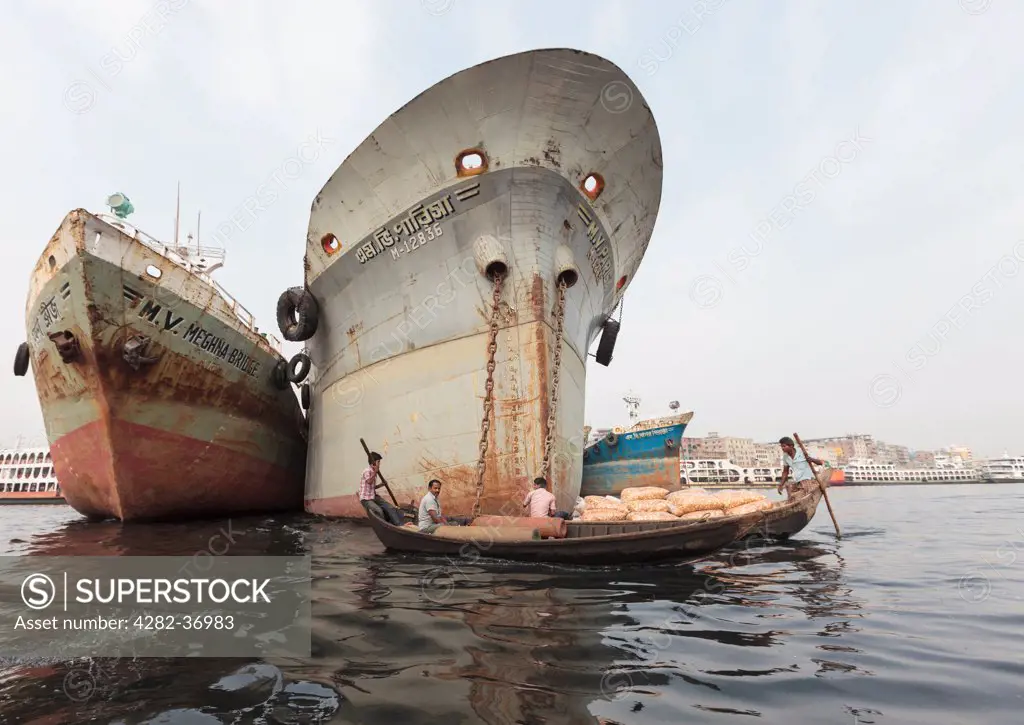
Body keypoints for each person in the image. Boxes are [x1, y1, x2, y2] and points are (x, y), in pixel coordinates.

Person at [359, 451, 403, 525]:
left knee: (390, 507)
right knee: (378, 511)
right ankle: (385, 526)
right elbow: (369, 481)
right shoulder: (367, 471)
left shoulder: (373, 472)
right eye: (378, 462)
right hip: (366, 499)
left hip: (373, 496)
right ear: (374, 463)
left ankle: (398, 525)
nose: (379, 464)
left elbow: (371, 487)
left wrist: (381, 484)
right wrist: (375, 472)